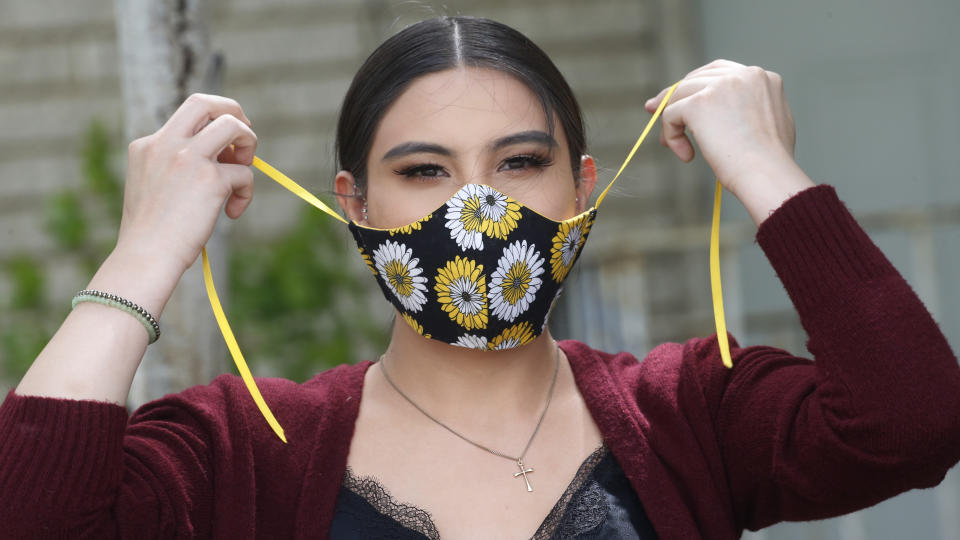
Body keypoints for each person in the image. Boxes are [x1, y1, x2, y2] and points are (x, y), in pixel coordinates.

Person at [1, 15, 958, 540]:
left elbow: (913, 425)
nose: (476, 211)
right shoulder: (248, 450)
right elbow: (32, 514)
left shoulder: (689, 412)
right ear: (356, 206)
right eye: (424, 171)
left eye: (518, 163)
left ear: (584, 186)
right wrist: (144, 252)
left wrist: (765, 171)